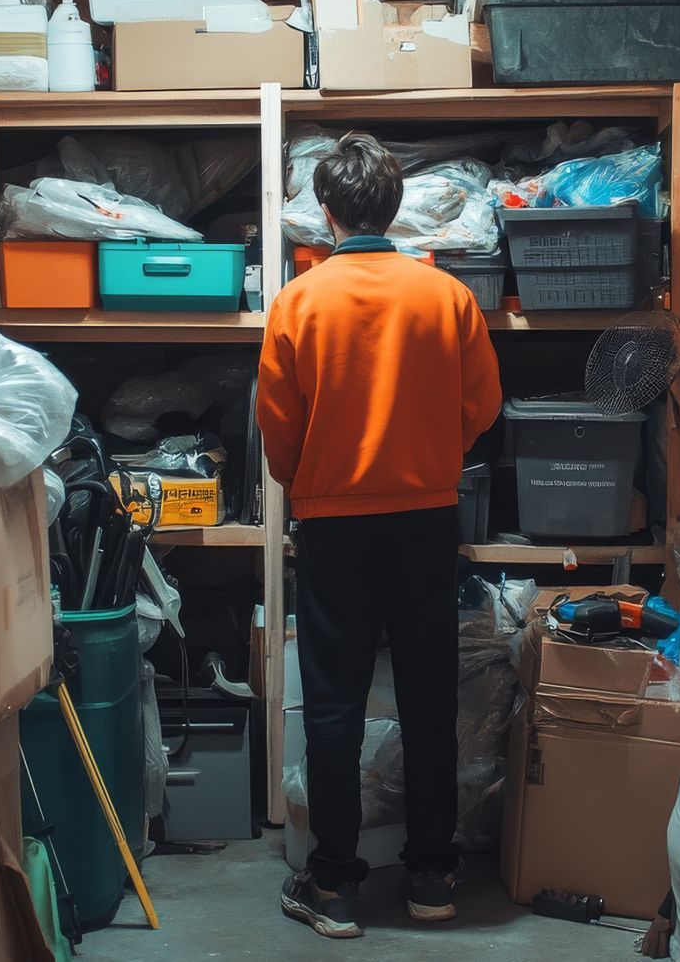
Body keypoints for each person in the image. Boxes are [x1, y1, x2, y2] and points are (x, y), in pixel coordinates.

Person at [258, 133, 502, 939]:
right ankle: (431, 875)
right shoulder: (445, 297)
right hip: (427, 517)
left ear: (326, 214)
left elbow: (277, 430)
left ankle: (332, 886)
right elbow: (482, 409)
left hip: (333, 523)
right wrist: (429, 457)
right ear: (394, 210)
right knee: (429, 692)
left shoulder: (301, 299)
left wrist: (315, 479)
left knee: (333, 704)